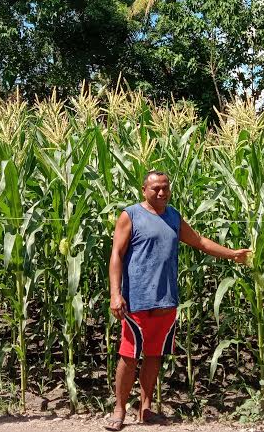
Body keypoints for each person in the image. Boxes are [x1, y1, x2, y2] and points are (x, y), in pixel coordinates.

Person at [104, 170, 250, 431]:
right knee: (128, 356)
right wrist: (115, 294)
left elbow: (200, 242)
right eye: (155, 188)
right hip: (135, 300)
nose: (161, 192)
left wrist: (232, 254)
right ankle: (120, 409)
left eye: (165, 188)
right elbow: (116, 254)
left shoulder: (173, 216)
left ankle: (145, 408)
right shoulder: (131, 215)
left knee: (154, 354)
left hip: (166, 300)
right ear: (143, 190)